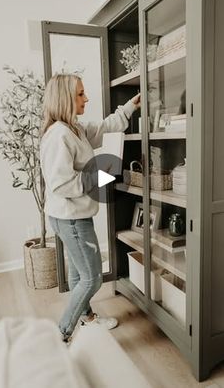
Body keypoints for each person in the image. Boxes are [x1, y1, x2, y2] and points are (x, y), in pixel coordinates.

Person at [40, 73, 140, 343]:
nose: (86, 98)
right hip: (71, 218)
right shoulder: (60, 134)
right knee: (93, 277)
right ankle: (61, 334)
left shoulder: (75, 128)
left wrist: (131, 105)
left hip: (70, 216)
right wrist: (101, 174)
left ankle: (87, 317)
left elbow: (106, 127)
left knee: (78, 273)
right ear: (65, 99)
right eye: (81, 94)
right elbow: (61, 184)